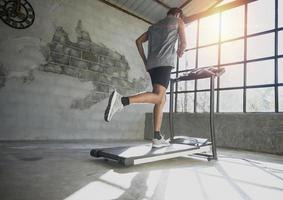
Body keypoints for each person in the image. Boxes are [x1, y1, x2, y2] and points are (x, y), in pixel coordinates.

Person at [104, 7, 187, 147]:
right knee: (160, 96)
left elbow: (138, 41)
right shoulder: (178, 21)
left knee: (161, 99)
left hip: (152, 65)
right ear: (178, 14)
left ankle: (156, 136)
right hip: (165, 63)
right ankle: (122, 101)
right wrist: (180, 51)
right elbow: (184, 43)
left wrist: (145, 61)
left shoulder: (154, 26)